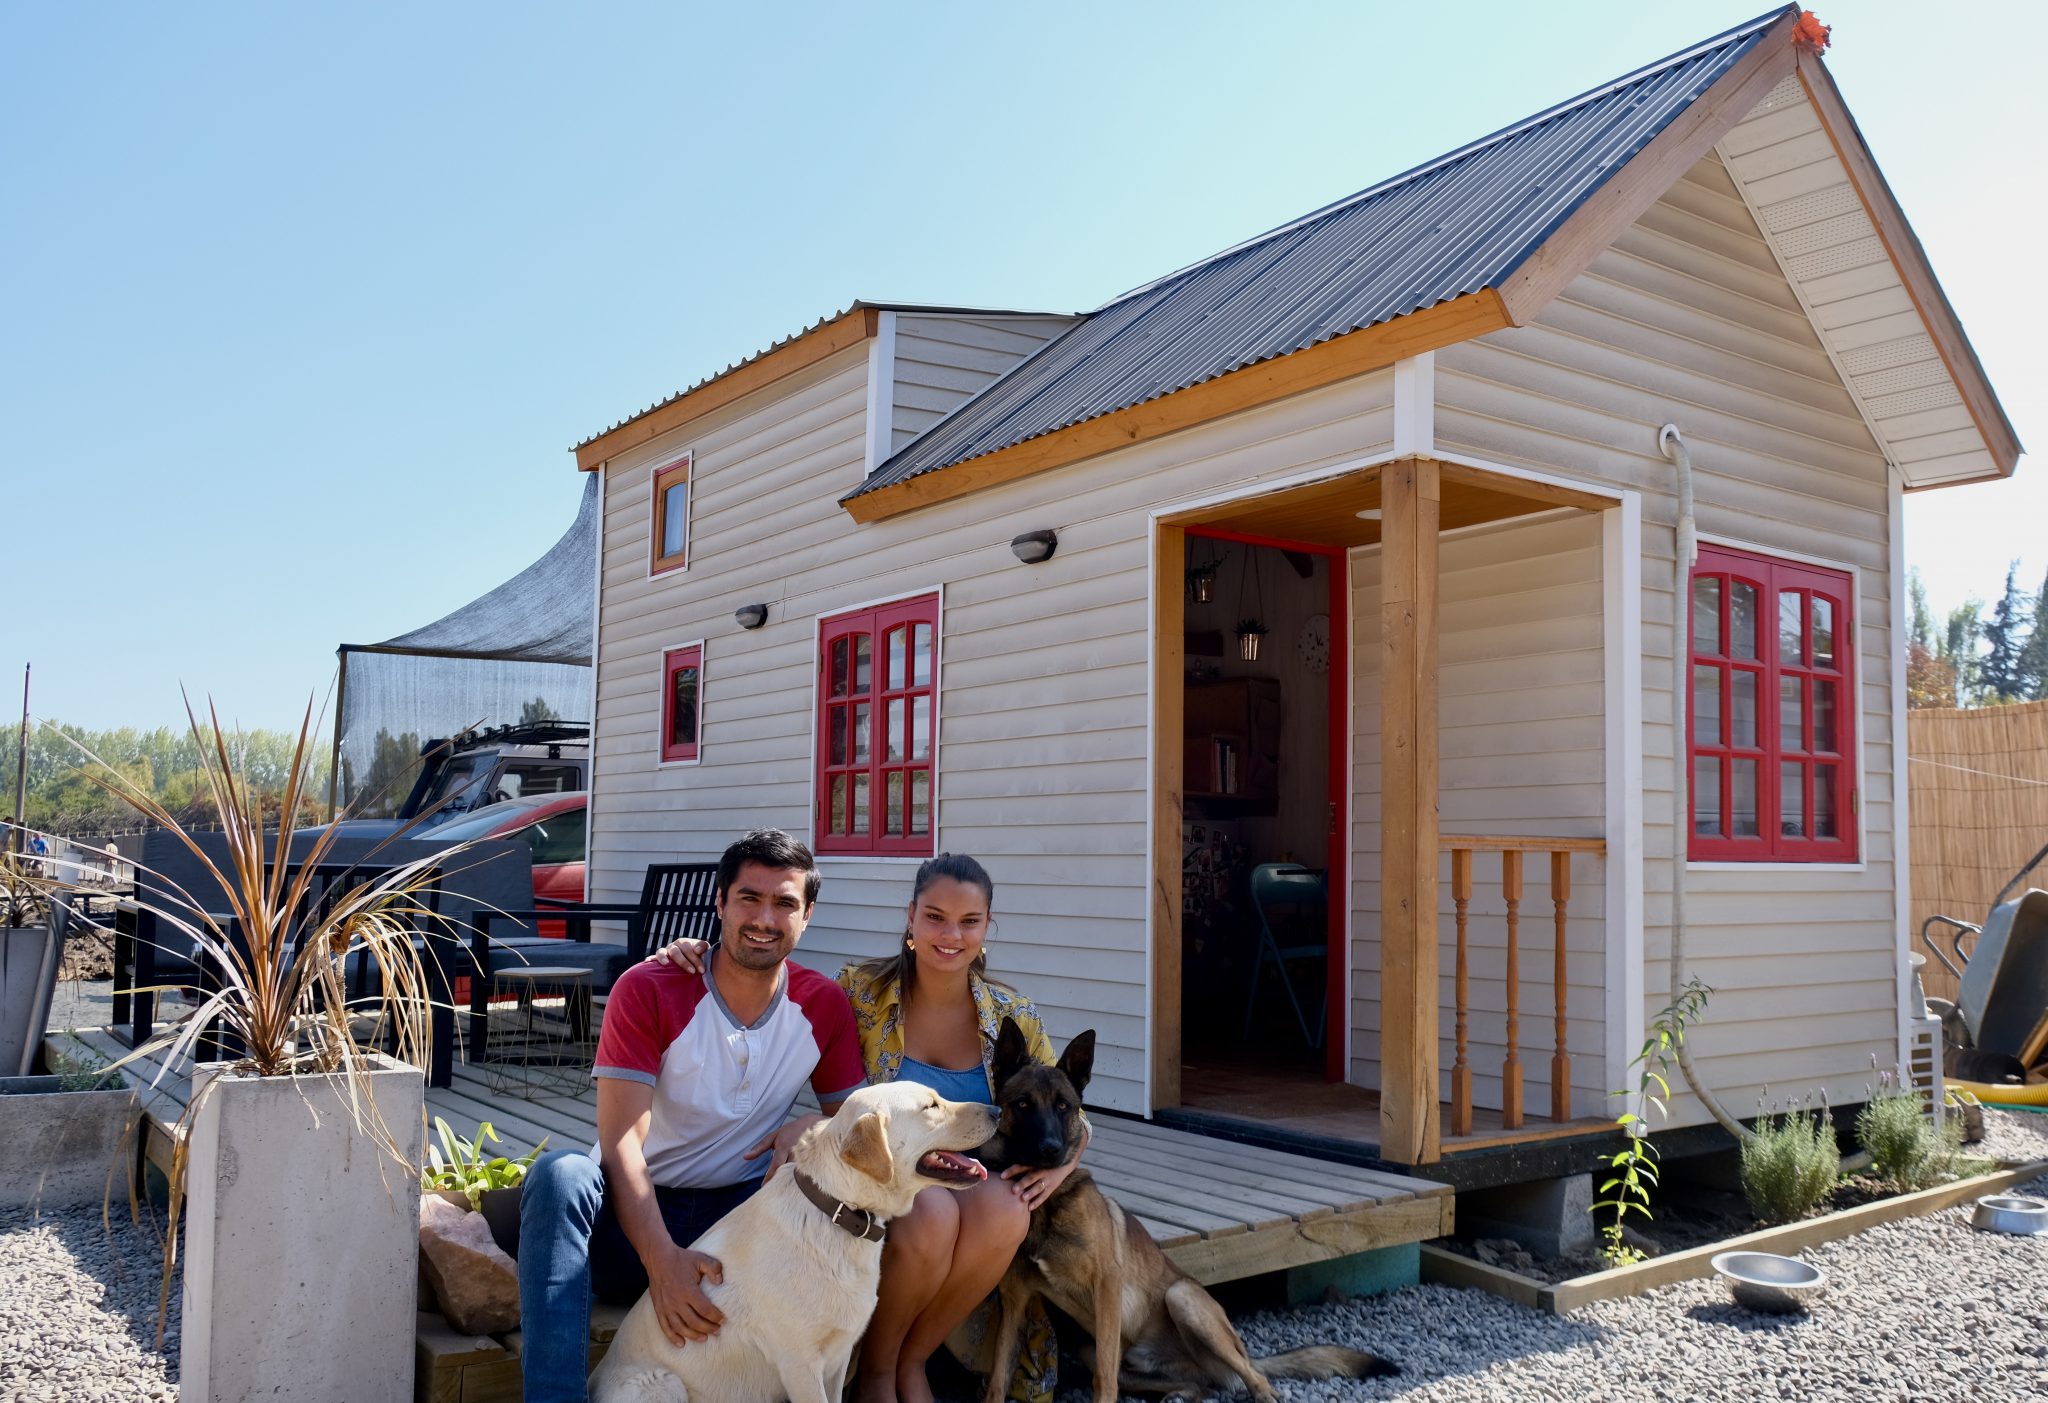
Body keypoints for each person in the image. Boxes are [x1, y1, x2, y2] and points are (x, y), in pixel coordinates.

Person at [654, 851, 1082, 1403]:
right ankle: (876, 1370)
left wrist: (1063, 1165)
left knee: (1006, 1212)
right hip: (884, 1179)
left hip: (970, 1171)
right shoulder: (859, 991)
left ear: (987, 928)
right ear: (910, 917)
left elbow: (1070, 1107)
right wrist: (693, 953)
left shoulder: (1011, 1012)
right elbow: (781, 1004)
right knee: (929, 1214)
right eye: (934, 917)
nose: (950, 934)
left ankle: (914, 1361)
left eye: (969, 922)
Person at [517, 829, 866, 1403]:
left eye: (784, 903)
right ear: (720, 903)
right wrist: (662, 1261)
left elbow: (854, 1129)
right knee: (560, 1177)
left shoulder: (823, 1005)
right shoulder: (652, 987)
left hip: (738, 1227)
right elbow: (620, 1143)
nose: (764, 918)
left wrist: (813, 1125)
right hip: (631, 1220)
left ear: (807, 915)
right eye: (749, 898)